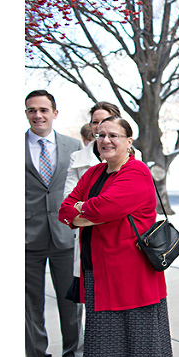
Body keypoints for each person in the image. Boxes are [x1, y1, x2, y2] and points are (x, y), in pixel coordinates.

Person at [59, 116, 176, 357]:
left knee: (137, 338)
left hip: (131, 274)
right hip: (100, 270)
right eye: (100, 135)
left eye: (113, 135)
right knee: (109, 339)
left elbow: (103, 208)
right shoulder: (96, 172)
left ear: (129, 141)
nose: (105, 140)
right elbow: (65, 209)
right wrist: (86, 212)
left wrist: (86, 212)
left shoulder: (136, 173)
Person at [25, 90, 83, 357]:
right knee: (29, 302)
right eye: (32, 110)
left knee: (70, 299)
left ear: (54, 113)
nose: (38, 115)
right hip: (25, 237)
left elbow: (82, 187)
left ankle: (74, 356)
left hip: (64, 234)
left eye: (43, 110)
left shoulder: (73, 146)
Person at [64, 102, 123, 302]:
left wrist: (85, 206)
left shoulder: (134, 159)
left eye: (104, 121)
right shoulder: (78, 158)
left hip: (121, 244)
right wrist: (102, 210)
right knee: (92, 309)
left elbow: (120, 206)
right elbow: (66, 207)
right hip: (88, 243)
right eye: (95, 122)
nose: (99, 127)